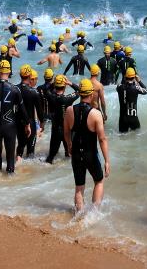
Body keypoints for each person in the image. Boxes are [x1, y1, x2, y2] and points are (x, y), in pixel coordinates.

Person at [63, 79, 110, 212]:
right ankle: (93, 214)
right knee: (99, 181)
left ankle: (79, 215)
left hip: (76, 153)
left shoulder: (69, 110)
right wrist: (107, 161)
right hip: (90, 154)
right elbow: (102, 139)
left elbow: (66, 132)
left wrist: (69, 146)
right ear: (91, 94)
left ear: (79, 94)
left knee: (79, 187)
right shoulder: (96, 114)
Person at [0, 60, 30, 173]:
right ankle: (10, 179)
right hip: (9, 126)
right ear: (9, 71)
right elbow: (22, 110)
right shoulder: (15, 89)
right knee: (9, 153)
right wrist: (27, 124)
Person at [45, 75, 79, 164]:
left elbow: (46, 89)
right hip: (67, 130)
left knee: (51, 156)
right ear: (64, 87)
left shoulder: (51, 96)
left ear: (55, 86)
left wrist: (54, 82)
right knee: (69, 154)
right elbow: (79, 90)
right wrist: (69, 82)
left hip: (56, 129)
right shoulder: (68, 98)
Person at [16, 65, 41, 160]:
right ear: (30, 76)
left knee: (21, 145)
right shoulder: (33, 92)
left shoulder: (15, 89)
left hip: (18, 122)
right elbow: (39, 110)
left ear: (20, 75)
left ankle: (17, 163)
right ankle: (28, 170)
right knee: (30, 149)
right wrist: (41, 123)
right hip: (30, 122)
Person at [116, 68, 147, 133]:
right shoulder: (136, 88)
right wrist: (139, 81)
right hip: (133, 118)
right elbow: (145, 91)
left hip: (122, 119)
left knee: (122, 138)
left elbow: (121, 86)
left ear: (125, 76)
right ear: (134, 77)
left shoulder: (119, 87)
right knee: (137, 137)